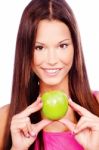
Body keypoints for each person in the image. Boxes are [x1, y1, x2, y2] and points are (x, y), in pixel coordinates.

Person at [0, 0, 99, 149]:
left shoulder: (97, 106)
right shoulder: (6, 119)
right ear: (26, 52)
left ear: (75, 48)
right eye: (39, 48)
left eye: (62, 46)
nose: (52, 60)